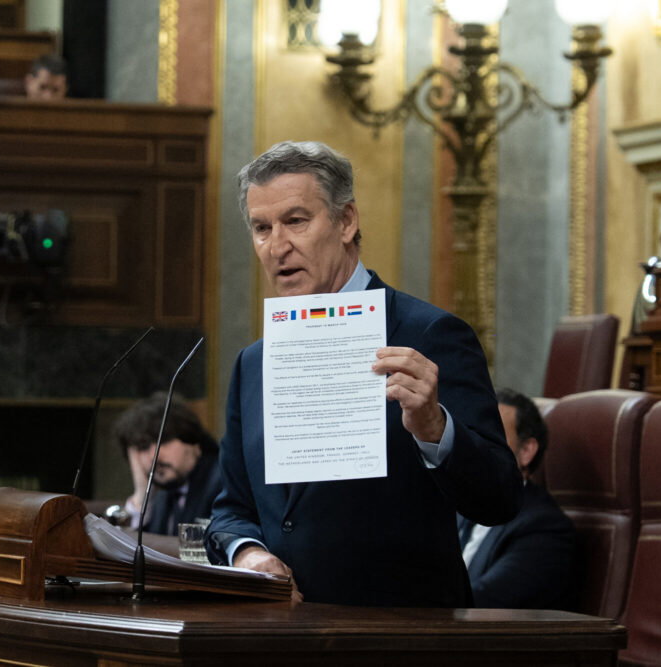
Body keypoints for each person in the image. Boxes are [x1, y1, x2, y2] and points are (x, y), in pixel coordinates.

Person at [205, 140, 523, 607]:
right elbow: (231, 509)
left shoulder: (430, 334)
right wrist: (248, 554)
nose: (277, 246)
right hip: (279, 635)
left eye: (295, 221)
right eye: (261, 228)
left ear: (346, 222)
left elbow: (500, 500)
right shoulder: (254, 362)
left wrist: (436, 429)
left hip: (402, 634)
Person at [458, 388, 577, 609]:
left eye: (492, 435)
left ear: (526, 451)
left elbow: (484, 602)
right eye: (471, 433)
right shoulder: (459, 508)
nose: (474, 444)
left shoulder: (544, 527)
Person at [112, 391, 221, 536]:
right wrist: (141, 496)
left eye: (164, 441)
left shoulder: (222, 481)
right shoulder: (163, 494)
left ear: (193, 442)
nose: (154, 456)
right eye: (143, 447)